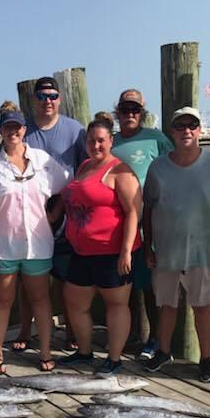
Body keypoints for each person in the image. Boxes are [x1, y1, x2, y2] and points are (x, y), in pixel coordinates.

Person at [142, 106, 210, 383]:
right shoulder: (157, 167)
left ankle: (206, 359)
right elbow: (148, 209)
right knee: (167, 305)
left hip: (203, 251)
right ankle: (164, 351)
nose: (186, 131)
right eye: (180, 126)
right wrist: (148, 248)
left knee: (203, 307)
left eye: (191, 125)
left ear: (199, 130)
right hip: (166, 251)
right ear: (171, 132)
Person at [0, 110, 69, 375]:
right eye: (7, 128)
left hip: (38, 245)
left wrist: (53, 214)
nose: (12, 132)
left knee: (40, 299)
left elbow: (66, 187)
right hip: (3, 247)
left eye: (17, 127)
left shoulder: (43, 160)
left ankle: (46, 352)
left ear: (24, 130)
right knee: (2, 301)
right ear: (1, 131)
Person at [60, 113, 141, 376]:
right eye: (92, 141)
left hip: (112, 252)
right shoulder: (84, 166)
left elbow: (132, 212)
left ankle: (114, 358)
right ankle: (84, 352)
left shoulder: (120, 171)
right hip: (82, 251)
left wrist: (126, 250)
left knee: (116, 305)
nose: (96, 146)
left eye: (101, 141)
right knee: (75, 302)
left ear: (111, 141)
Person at [11, 76, 87, 352]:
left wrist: (59, 209)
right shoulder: (22, 130)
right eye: (42, 96)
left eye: (53, 96)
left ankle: (69, 331)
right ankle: (24, 329)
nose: (48, 101)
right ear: (34, 100)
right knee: (28, 278)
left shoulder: (75, 130)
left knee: (66, 276)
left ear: (60, 99)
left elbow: (85, 169)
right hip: (29, 215)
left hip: (66, 213)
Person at [112, 88, 173, 359]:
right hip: (120, 222)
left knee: (150, 280)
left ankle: (157, 340)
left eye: (135, 110)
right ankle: (135, 334)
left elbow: (174, 166)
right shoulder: (110, 142)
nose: (130, 114)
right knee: (128, 279)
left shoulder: (155, 138)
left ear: (142, 113)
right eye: (125, 110)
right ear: (118, 113)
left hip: (151, 218)